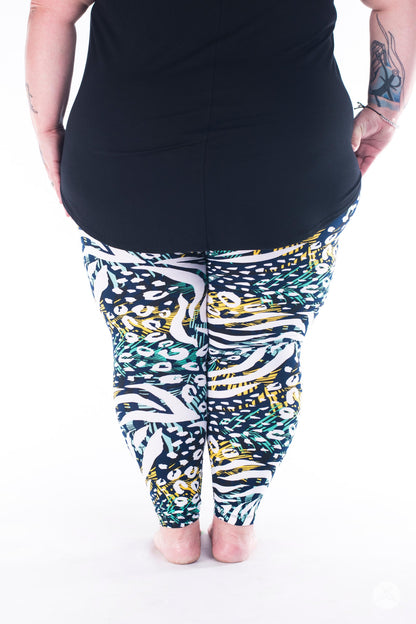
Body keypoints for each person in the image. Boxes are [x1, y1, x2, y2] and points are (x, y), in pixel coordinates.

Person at [24, 0, 414, 565]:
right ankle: (235, 529)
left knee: (152, 360)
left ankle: (176, 530)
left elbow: (52, 12)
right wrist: (384, 111)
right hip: (287, 165)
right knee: (262, 363)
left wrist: (46, 127)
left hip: (128, 162)